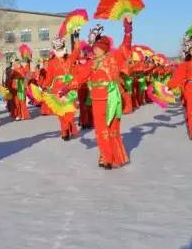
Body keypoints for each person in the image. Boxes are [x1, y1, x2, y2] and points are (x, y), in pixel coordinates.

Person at [69, 22, 132, 169]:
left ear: (104, 48)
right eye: (94, 48)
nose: (95, 50)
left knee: (112, 129)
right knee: (101, 131)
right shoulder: (91, 63)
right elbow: (80, 78)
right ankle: (106, 157)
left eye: (97, 48)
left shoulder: (114, 58)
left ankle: (113, 157)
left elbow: (126, 46)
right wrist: (66, 89)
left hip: (112, 98)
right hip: (97, 101)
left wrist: (128, 27)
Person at [44, 36, 81, 140]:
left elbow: (77, 51)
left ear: (64, 48)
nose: (59, 51)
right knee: (61, 112)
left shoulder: (70, 58)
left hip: (69, 87)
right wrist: (45, 87)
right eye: (57, 49)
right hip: (57, 89)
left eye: (61, 48)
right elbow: (49, 77)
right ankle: (64, 131)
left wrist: (76, 38)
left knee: (69, 110)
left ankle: (68, 129)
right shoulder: (51, 63)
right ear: (55, 50)